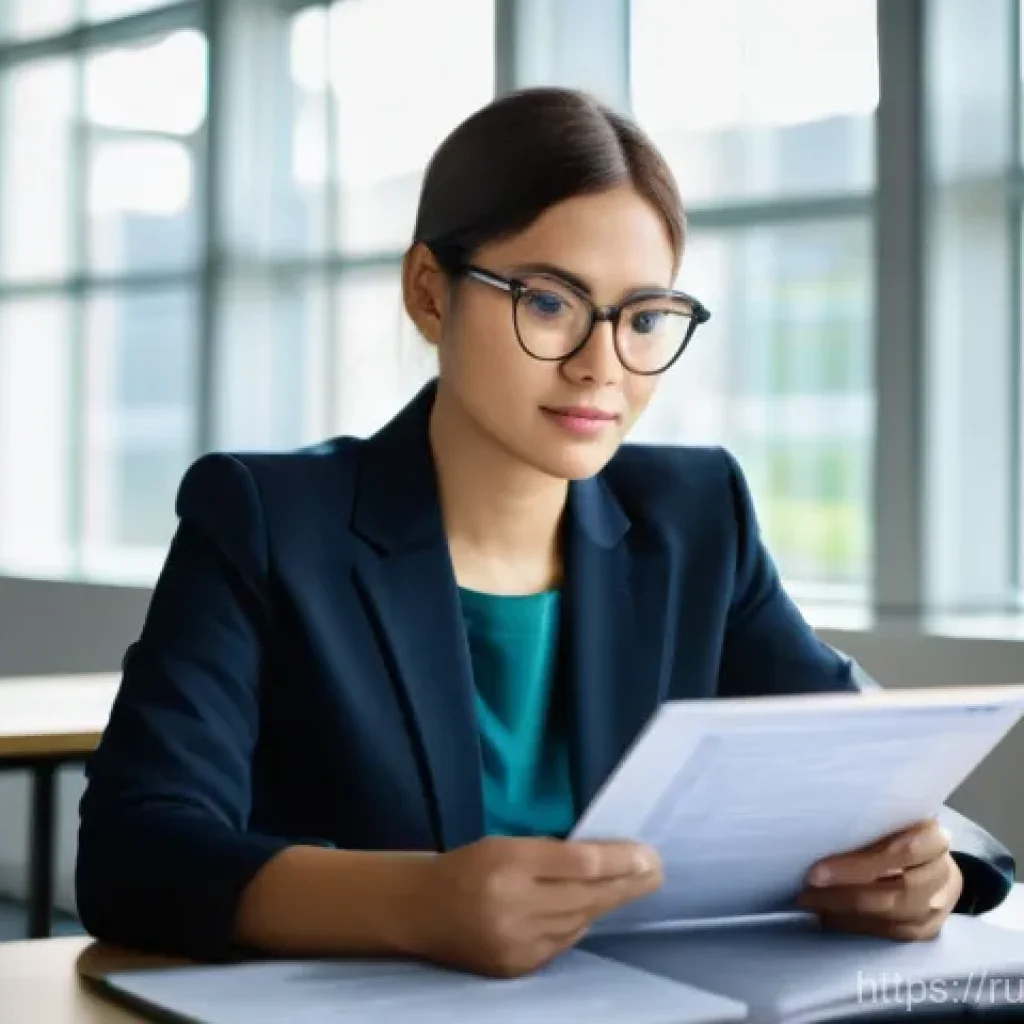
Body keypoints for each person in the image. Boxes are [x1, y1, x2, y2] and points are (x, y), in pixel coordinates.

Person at [75, 86, 1014, 978]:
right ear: (430, 293)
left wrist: (935, 867)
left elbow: (871, 756)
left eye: (645, 317)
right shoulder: (268, 521)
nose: (602, 365)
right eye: (551, 303)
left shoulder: (696, 518)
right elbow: (135, 850)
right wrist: (414, 905)